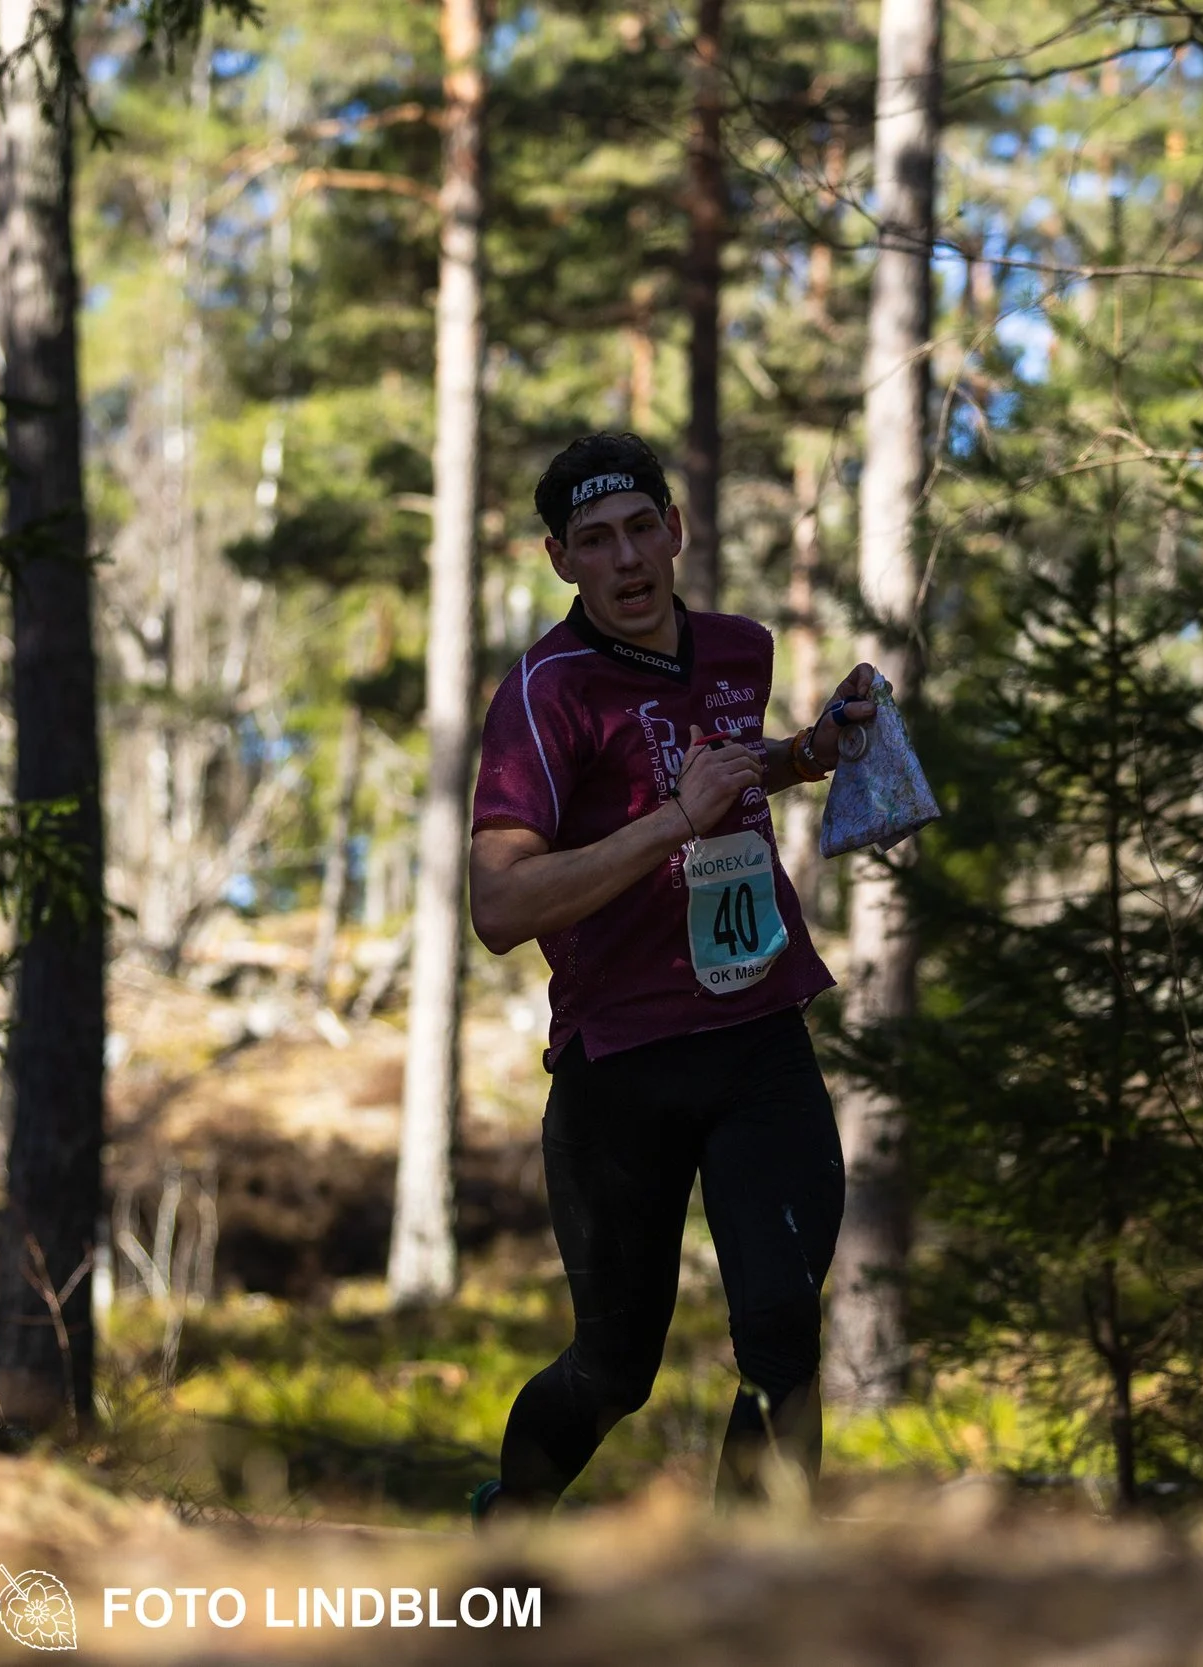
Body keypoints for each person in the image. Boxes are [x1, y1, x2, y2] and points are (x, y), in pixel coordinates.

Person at [466, 431, 879, 1522]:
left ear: (675, 529)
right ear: (562, 561)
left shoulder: (740, 647)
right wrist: (671, 823)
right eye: (595, 541)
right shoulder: (543, 695)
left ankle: (745, 1584)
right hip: (620, 1067)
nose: (627, 558)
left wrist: (808, 751)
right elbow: (499, 907)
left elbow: (723, 773)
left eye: (642, 527)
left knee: (782, 1328)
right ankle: (509, 1530)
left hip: (758, 1035)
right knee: (613, 1368)